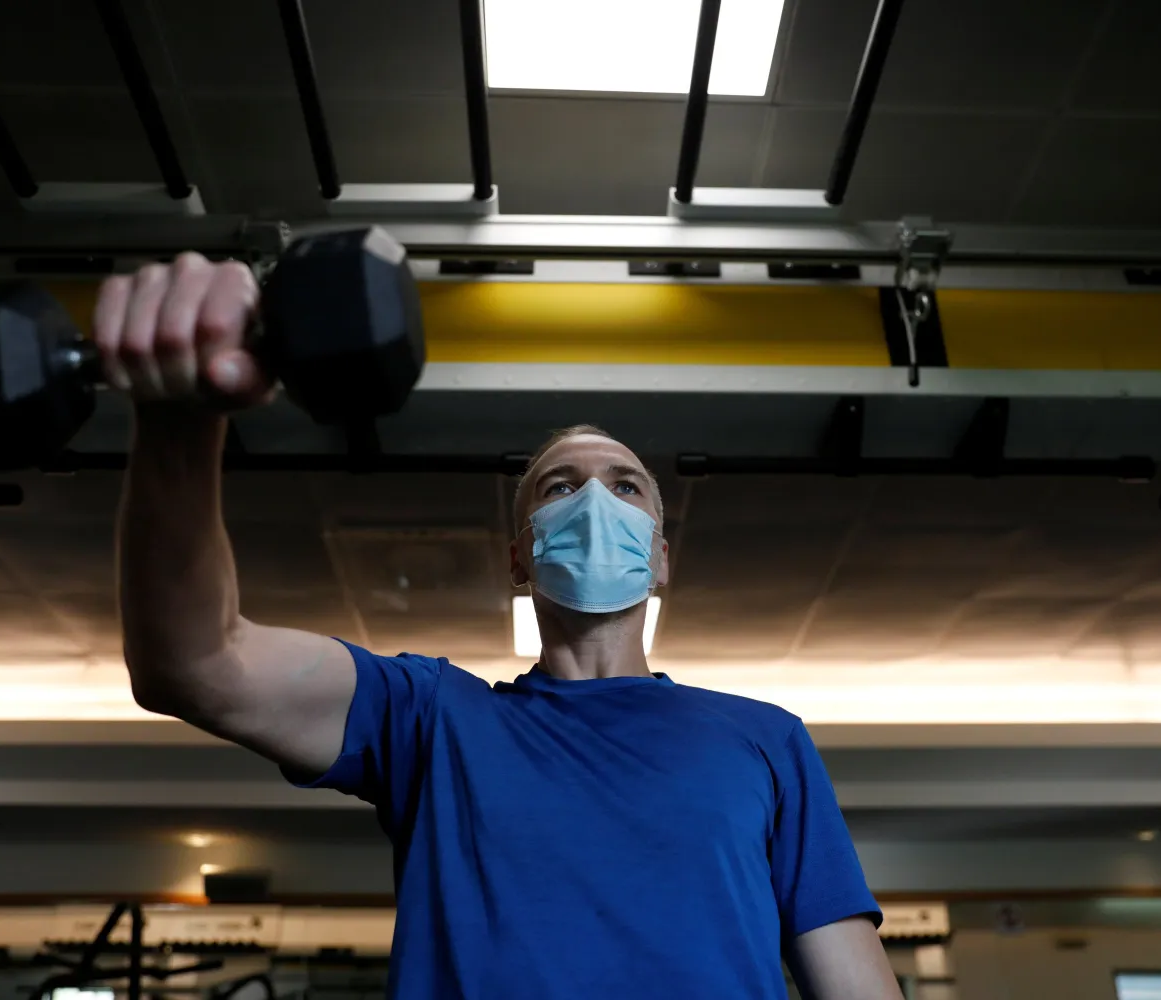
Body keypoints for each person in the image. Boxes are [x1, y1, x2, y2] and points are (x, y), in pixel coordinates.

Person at [100, 253, 903, 1000]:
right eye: (560, 487)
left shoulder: (766, 739)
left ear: (660, 559)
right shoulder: (430, 719)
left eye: (626, 486)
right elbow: (198, 664)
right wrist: (178, 422)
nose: (594, 501)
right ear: (522, 558)